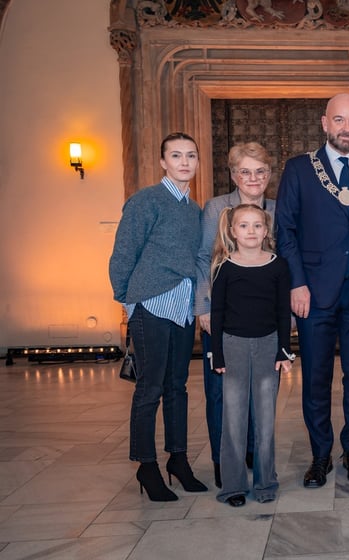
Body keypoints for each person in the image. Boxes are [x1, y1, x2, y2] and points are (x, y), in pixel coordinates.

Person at [274, 93, 349, 487]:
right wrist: (297, 282)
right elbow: (286, 231)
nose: (347, 128)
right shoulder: (297, 170)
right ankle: (319, 456)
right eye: (340, 120)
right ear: (325, 123)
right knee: (316, 378)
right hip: (313, 293)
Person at [109, 132, 208, 502]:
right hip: (150, 304)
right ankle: (146, 465)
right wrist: (127, 300)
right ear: (163, 162)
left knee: (177, 387)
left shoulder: (194, 209)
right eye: (176, 155)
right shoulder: (145, 201)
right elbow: (123, 254)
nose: (185, 162)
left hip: (181, 307)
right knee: (149, 389)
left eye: (191, 156)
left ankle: (178, 461)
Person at [195, 142, 276, 489]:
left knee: (261, 391)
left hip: (261, 320)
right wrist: (203, 307)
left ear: (270, 175)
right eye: (245, 171)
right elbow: (202, 258)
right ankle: (221, 459)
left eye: (260, 171)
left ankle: (251, 452)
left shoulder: (277, 209)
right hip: (222, 315)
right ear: (232, 174)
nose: (252, 178)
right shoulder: (216, 208)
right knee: (221, 391)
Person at [210, 203, 293, 507]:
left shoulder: (278, 266)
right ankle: (232, 486)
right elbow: (217, 314)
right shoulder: (224, 267)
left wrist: (284, 349)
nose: (251, 231)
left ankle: (265, 482)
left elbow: (283, 312)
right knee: (233, 420)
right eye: (243, 226)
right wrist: (216, 354)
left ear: (266, 230)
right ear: (232, 231)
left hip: (268, 346)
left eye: (257, 225)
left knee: (265, 419)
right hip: (232, 346)